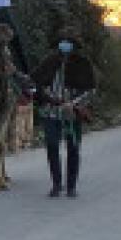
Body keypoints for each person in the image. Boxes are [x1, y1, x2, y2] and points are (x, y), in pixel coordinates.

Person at [31, 28, 96, 199]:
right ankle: (56, 184)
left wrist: (73, 104)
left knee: (73, 148)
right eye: (63, 41)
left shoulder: (83, 63)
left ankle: (71, 186)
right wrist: (48, 98)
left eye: (69, 41)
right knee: (52, 145)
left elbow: (90, 89)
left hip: (73, 113)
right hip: (51, 112)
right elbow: (37, 84)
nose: (65, 44)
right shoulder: (49, 61)